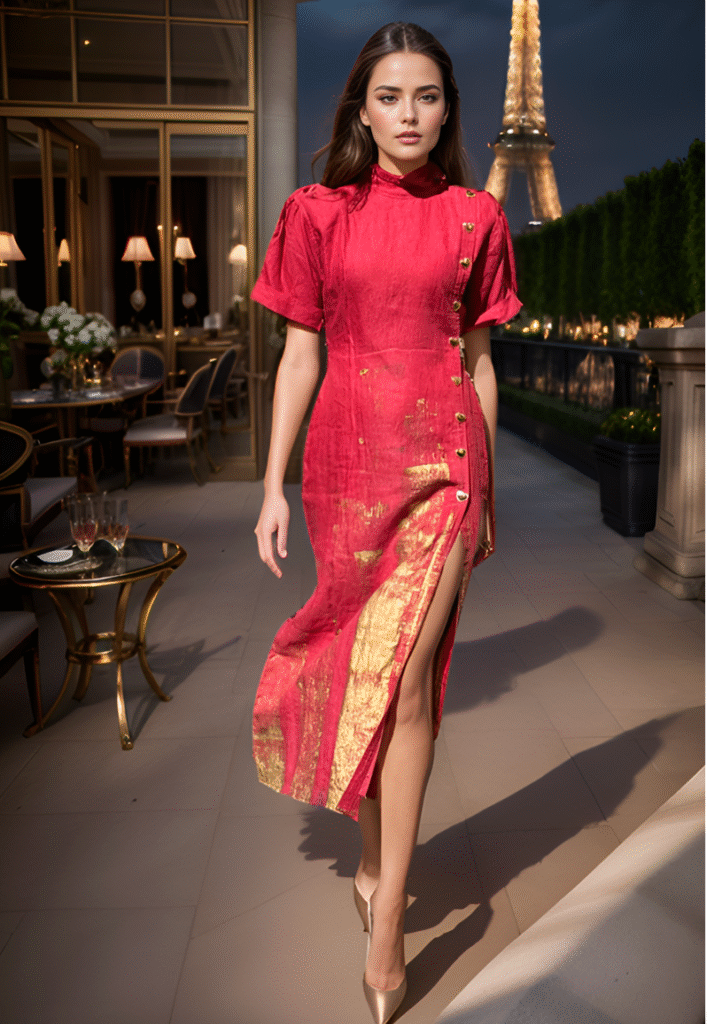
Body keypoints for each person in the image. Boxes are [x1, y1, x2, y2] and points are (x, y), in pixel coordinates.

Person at [252, 22, 521, 1024]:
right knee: (364, 668)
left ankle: (385, 920)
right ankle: (371, 859)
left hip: (445, 467)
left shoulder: (473, 219)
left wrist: (483, 487)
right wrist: (271, 483)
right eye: (390, 97)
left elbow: (481, 363)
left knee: (408, 678)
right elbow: (296, 358)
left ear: (448, 109)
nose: (409, 115)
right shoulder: (314, 212)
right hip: (344, 469)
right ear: (360, 109)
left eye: (427, 97)